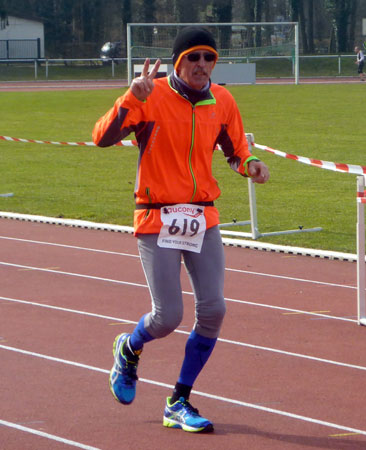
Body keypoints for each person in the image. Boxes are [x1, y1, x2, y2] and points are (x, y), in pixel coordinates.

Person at [93, 26, 269, 433]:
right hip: (157, 216)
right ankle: (129, 347)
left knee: (214, 310)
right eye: (193, 57)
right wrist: (130, 98)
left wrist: (250, 164)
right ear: (178, 61)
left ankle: (179, 400)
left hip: (202, 217)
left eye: (209, 58)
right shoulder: (150, 94)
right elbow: (102, 138)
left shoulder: (222, 100)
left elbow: (235, 150)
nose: (202, 65)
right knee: (168, 316)